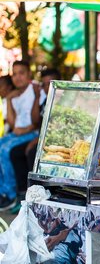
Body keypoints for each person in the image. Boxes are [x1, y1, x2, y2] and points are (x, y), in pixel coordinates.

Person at [9, 68, 61, 214]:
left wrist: (35, 141)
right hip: (41, 137)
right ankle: (22, 194)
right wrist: (38, 97)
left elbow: (53, 131)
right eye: (44, 84)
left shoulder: (62, 101)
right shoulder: (45, 99)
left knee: (32, 152)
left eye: (50, 83)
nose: (47, 87)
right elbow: (35, 120)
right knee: (15, 152)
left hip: (54, 141)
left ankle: (39, 196)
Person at [0, 61, 44, 210]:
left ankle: (11, 194)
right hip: (18, 133)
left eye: (21, 73)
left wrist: (25, 130)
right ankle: (3, 190)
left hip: (32, 134)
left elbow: (36, 121)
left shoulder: (36, 89)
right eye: (15, 74)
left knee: (6, 150)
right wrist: (9, 100)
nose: (17, 77)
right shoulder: (15, 94)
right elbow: (13, 125)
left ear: (29, 74)